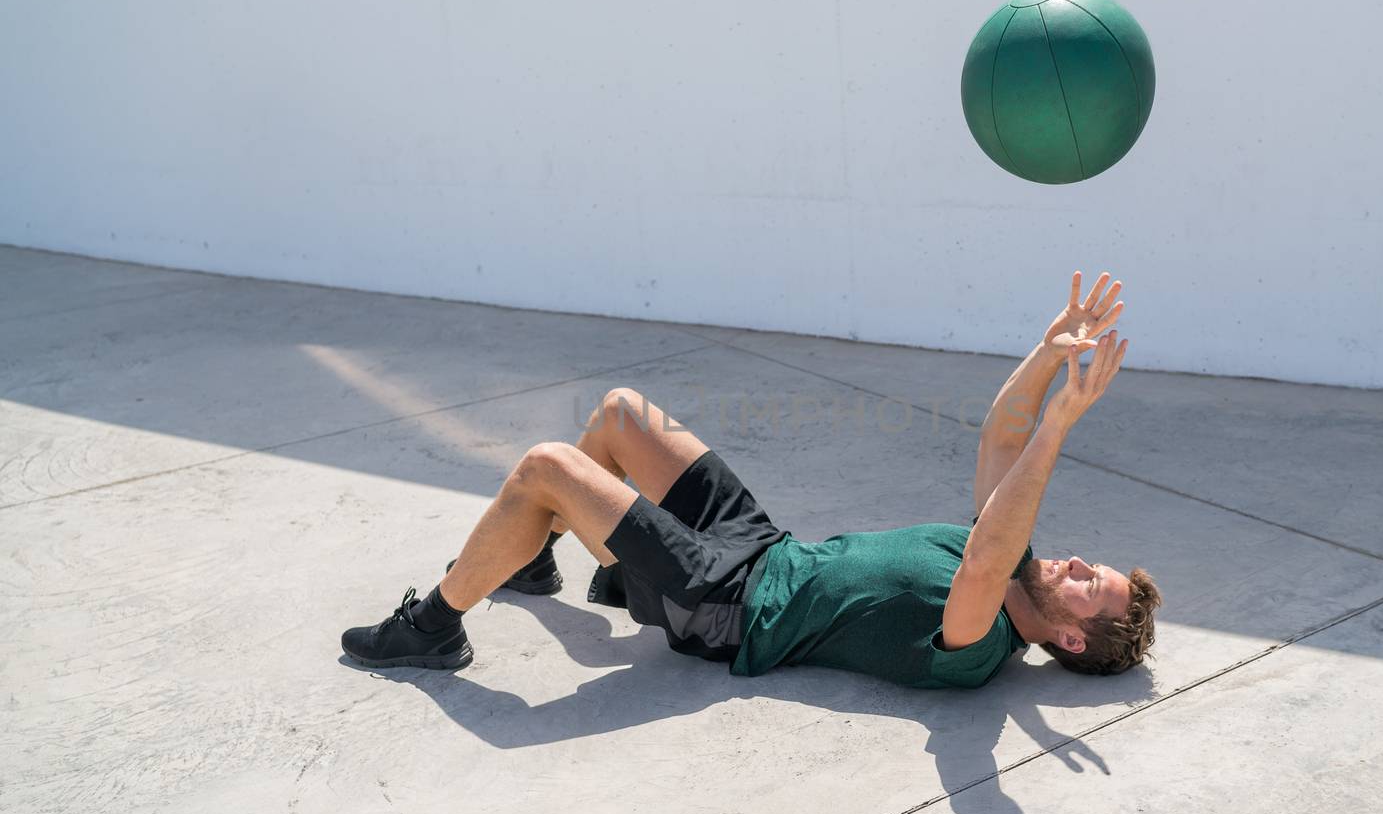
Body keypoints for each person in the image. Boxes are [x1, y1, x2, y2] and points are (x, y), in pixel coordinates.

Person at [341, 271, 1161, 688]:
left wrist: (1063, 423)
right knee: (624, 413)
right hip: (762, 548)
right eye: (1098, 567)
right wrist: (1049, 355)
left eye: (1095, 587)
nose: (1083, 564)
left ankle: (433, 624)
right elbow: (1001, 435)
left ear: (1071, 638)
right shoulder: (1019, 558)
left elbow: (982, 562)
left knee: (546, 466)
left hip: (729, 608)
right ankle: (534, 559)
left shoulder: (979, 645)